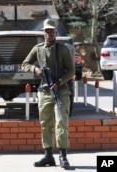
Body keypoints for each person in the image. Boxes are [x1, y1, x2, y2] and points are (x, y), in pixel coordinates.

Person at [21, 19, 75, 169]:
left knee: (62, 122)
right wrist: (35, 70)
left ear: (56, 33)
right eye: (46, 31)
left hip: (61, 91)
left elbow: (71, 71)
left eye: (51, 31)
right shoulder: (37, 49)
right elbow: (24, 64)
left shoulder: (63, 49)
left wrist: (60, 83)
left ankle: (63, 156)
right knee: (45, 124)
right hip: (44, 91)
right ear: (43, 33)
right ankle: (48, 156)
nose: (49, 34)